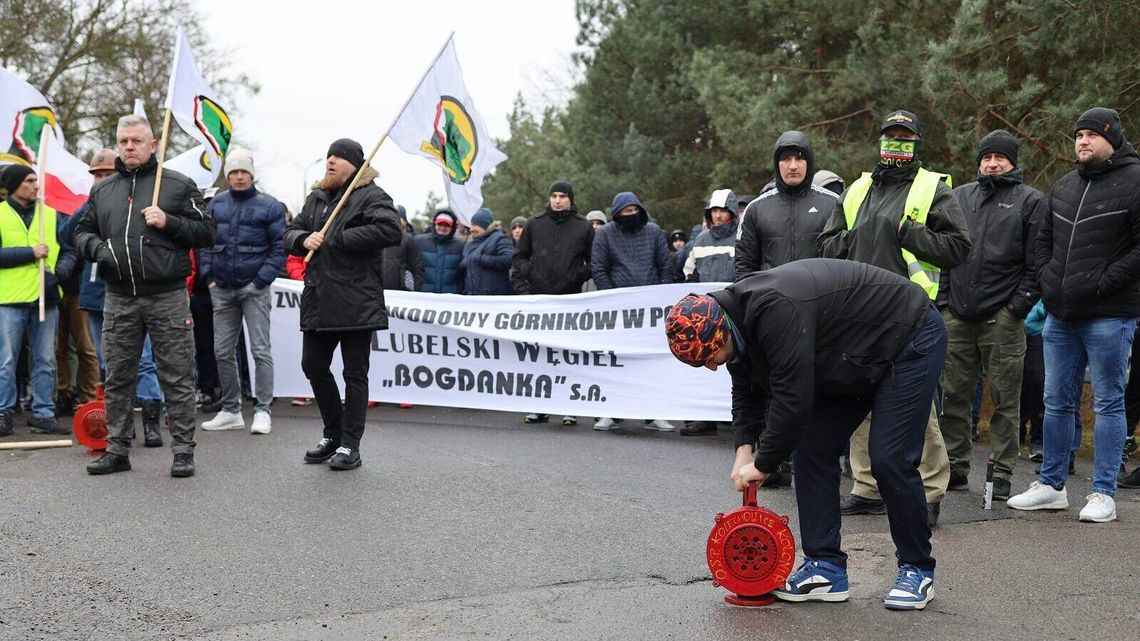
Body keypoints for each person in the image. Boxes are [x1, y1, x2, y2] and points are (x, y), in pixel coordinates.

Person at [665, 258, 947, 610]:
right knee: (812, 448)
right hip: (851, 353)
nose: (710, 366)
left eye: (709, 357)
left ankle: (916, 568)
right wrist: (743, 450)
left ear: (719, 332)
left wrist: (763, 463)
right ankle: (825, 567)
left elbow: (792, 399)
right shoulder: (732, 324)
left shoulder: (774, 310)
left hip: (908, 338)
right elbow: (746, 391)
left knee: (889, 457)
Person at [818, 109, 971, 525]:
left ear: (917, 143)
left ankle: (929, 491)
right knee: (861, 399)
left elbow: (959, 248)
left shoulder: (932, 188)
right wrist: (848, 242)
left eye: (905, 137)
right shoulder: (857, 188)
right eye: (890, 136)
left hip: (911, 313)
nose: (896, 143)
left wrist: (911, 234)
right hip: (858, 312)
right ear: (881, 141)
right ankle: (868, 488)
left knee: (916, 407)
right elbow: (827, 242)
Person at [1008, 108, 1140, 522]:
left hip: (1110, 313)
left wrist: (1100, 282)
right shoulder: (1064, 186)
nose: (1082, 141)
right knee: (1055, 401)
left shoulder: (1136, 182)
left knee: (1108, 402)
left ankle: (1103, 493)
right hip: (1060, 314)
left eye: (1091, 135)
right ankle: (1051, 485)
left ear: (1112, 138)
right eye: (1078, 135)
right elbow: (1042, 242)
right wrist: (1050, 281)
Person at [74, 114, 216, 477]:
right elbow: (79, 233)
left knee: (177, 377)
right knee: (118, 377)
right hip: (119, 296)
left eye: (137, 141)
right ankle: (117, 449)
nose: (129, 147)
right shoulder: (103, 190)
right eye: (124, 141)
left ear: (153, 144)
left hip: (167, 295)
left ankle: (183, 451)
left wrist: (170, 222)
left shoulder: (178, 185)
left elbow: (208, 232)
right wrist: (98, 249)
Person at [936, 130, 1046, 500]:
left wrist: (1015, 310)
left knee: (1005, 399)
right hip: (958, 316)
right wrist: (944, 302)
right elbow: (949, 252)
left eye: (1001, 157)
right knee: (952, 396)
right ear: (979, 161)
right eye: (987, 157)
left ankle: (1001, 473)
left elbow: (1037, 264)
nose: (993, 163)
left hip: (1002, 319)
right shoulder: (961, 196)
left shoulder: (1030, 201)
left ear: (1013, 161)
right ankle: (954, 467)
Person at [282, 138, 402, 471]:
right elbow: (290, 233)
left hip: (356, 301)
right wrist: (304, 239)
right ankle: (332, 434)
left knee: (354, 374)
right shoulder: (317, 196)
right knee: (313, 365)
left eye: (339, 157)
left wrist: (338, 238)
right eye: (328, 156)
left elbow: (391, 230)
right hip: (319, 297)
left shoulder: (372, 195)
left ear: (356, 163)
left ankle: (351, 445)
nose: (330, 161)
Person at [68, 149, 167, 447]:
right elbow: (67, 235)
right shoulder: (90, 205)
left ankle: (151, 421)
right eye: (97, 175)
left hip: (132, 292)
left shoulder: (132, 201)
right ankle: (122, 426)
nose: (101, 179)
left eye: (107, 174)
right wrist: (88, 205)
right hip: (97, 297)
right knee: (109, 363)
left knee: (145, 360)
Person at [198, 148, 286, 435]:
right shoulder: (216, 205)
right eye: (233, 172)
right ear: (227, 175)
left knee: (260, 350)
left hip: (254, 289)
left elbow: (279, 248)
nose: (238, 177)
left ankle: (263, 410)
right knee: (222, 351)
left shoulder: (270, 206)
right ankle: (231, 410)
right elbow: (205, 243)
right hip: (221, 288)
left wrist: (260, 281)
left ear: (252, 174)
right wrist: (209, 276)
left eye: (243, 172)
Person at [0, 165, 76, 437]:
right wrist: (30, 252)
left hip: (46, 297)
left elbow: (68, 251)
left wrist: (60, 273)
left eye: (35, 180)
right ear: (14, 185)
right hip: (9, 299)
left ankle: (44, 413)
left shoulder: (51, 215)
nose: (35, 185)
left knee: (46, 359)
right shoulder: (0, 215)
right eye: (29, 181)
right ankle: (3, 413)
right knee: (6, 360)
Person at [590, 191, 673, 432]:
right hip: (618, 310)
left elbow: (665, 265)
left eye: (634, 211)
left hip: (651, 309)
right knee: (616, 360)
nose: (630, 215)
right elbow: (599, 268)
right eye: (625, 212)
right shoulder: (605, 234)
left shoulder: (654, 232)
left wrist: (662, 297)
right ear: (616, 214)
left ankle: (654, 413)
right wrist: (613, 298)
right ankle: (612, 413)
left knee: (651, 362)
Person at [511, 180, 593, 426]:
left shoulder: (583, 226)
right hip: (541, 300)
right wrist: (533, 274)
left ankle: (569, 406)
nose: (557, 200)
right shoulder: (535, 224)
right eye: (554, 196)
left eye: (562, 196)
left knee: (567, 355)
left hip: (570, 302)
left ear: (570, 199)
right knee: (541, 354)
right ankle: (539, 406)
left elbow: (593, 262)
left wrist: (576, 275)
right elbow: (519, 258)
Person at [734, 131, 837, 279]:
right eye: (786, 159)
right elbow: (744, 267)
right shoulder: (755, 209)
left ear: (809, 162)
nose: (793, 166)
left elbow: (845, 261)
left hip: (820, 299)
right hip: (771, 299)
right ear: (777, 164)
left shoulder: (833, 204)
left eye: (799, 158)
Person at [461, 207, 514, 295]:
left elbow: (509, 259)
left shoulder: (499, 239)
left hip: (493, 300)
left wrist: (481, 259)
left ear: (485, 225)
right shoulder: (469, 244)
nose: (471, 229)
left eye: (475, 225)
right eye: (471, 225)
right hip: (472, 300)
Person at [416, 208, 464, 294]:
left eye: (447, 225)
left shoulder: (461, 245)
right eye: (440, 224)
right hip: (424, 296)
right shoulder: (419, 242)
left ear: (452, 227)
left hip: (450, 298)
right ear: (434, 224)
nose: (442, 228)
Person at [381, 205, 424, 293]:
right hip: (378, 290)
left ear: (404, 220)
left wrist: (415, 291)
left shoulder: (408, 239)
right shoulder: (378, 236)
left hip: (401, 292)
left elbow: (418, 268)